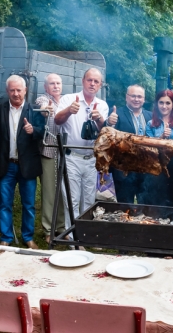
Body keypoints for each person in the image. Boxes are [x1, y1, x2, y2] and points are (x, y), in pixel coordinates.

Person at [0, 75, 44, 252]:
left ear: (25, 90)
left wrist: (34, 130)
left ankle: (28, 237)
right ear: (7, 91)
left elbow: (44, 132)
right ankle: (6, 238)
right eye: (12, 90)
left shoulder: (35, 110)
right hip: (6, 164)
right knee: (5, 203)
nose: (16, 93)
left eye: (19, 90)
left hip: (28, 165)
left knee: (28, 204)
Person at [54, 68, 108, 228]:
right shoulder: (68, 99)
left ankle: (85, 233)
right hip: (72, 157)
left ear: (100, 85)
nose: (92, 84)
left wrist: (99, 119)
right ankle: (72, 237)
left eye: (96, 81)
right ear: (83, 81)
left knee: (89, 199)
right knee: (72, 199)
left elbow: (104, 132)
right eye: (89, 80)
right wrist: (69, 111)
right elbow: (57, 120)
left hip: (92, 159)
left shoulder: (102, 104)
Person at [104, 84, 152, 204]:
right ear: (126, 97)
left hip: (145, 168)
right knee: (125, 205)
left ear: (144, 99)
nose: (136, 99)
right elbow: (108, 135)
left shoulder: (150, 116)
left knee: (145, 204)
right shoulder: (117, 114)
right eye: (133, 96)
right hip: (123, 169)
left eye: (139, 96)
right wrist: (109, 123)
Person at [36, 73, 67, 243]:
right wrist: (46, 111)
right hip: (49, 151)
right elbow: (43, 108)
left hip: (65, 152)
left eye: (58, 83)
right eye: (52, 84)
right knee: (49, 191)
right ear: (46, 87)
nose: (56, 86)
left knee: (63, 190)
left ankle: (61, 227)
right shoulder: (43, 99)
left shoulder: (65, 100)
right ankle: (49, 229)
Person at [144, 89, 173, 207]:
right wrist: (162, 137)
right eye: (161, 103)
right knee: (157, 198)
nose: (164, 106)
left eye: (168, 103)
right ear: (157, 104)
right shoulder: (150, 124)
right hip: (157, 166)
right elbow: (149, 146)